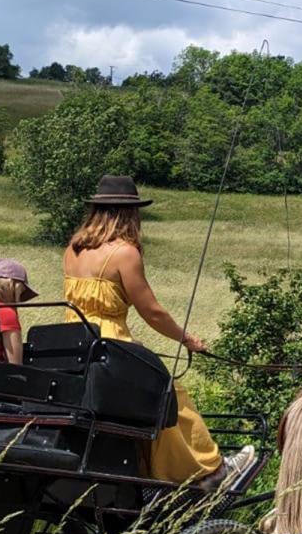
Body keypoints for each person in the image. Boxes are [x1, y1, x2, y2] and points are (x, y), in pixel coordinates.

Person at [63, 175, 255, 488]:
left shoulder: (73, 248)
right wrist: (187, 339)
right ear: (129, 214)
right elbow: (151, 311)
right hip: (110, 346)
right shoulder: (124, 253)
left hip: (76, 343)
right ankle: (208, 469)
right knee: (169, 394)